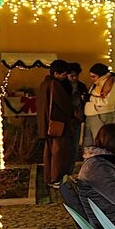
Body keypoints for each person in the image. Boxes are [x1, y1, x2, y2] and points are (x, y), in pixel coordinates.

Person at [37, 59, 76, 188]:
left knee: (48, 153)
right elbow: (64, 104)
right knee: (58, 153)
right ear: (56, 73)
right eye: (63, 74)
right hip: (57, 124)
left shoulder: (44, 84)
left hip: (46, 124)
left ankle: (49, 178)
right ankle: (56, 178)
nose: (65, 77)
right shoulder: (55, 85)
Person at [85, 63, 115, 148]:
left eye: (94, 76)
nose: (92, 79)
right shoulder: (96, 84)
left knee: (101, 143)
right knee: (89, 144)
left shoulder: (112, 84)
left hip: (101, 115)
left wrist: (90, 99)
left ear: (101, 75)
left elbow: (107, 102)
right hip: (91, 115)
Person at [66, 62, 88, 167]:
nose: (74, 78)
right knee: (66, 145)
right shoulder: (63, 85)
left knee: (74, 145)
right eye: (72, 76)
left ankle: (70, 168)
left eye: (76, 76)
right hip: (67, 118)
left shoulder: (81, 86)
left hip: (78, 118)